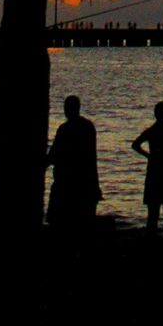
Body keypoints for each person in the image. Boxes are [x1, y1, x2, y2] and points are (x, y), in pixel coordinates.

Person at [46, 95, 101, 231]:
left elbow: (53, 155)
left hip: (66, 183)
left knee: (59, 223)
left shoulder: (64, 129)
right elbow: (92, 158)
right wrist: (95, 185)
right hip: (86, 182)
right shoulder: (88, 127)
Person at [131, 101, 163, 235]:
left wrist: (149, 156)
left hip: (155, 172)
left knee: (153, 213)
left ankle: (151, 239)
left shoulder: (152, 131)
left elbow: (135, 145)